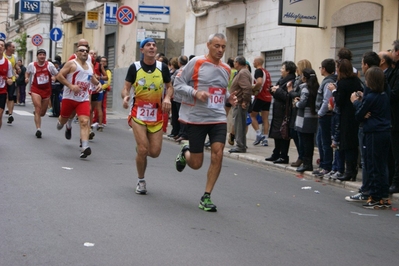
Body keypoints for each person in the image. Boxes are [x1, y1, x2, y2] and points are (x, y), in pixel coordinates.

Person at [174, 33, 236, 212]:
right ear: (208, 45)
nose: (220, 50)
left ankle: (206, 196)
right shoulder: (196, 63)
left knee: (218, 153)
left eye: (223, 47)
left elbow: (221, 91)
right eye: (217, 46)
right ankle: (185, 151)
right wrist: (195, 93)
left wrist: (229, 99)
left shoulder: (226, 69)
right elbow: (178, 83)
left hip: (217, 117)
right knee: (196, 163)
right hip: (196, 118)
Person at [121, 38, 173, 195]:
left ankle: (141, 150)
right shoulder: (134, 67)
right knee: (144, 149)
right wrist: (125, 96)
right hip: (138, 113)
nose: (152, 47)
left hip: (156, 115)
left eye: (154, 45)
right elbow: (126, 87)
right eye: (148, 45)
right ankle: (141, 180)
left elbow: (169, 87)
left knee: (155, 152)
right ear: (142, 50)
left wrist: (167, 98)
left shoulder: (162, 67)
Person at [350, 66, 391, 209]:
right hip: (385, 132)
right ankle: (383, 196)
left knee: (373, 164)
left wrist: (355, 101)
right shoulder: (384, 95)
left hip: (373, 132)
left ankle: (374, 196)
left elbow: (359, 115)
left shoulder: (371, 97)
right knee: (381, 165)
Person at [56, 45, 102, 158]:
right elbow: (59, 76)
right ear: (76, 52)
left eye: (86, 51)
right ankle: (66, 124)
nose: (85, 52)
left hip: (83, 98)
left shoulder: (90, 66)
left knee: (84, 121)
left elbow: (91, 77)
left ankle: (85, 147)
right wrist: (70, 86)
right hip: (69, 97)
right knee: (62, 121)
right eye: (82, 50)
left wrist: (98, 84)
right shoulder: (71, 64)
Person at [328, 59, 362, 181]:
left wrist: (334, 91)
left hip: (346, 116)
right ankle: (353, 170)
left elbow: (339, 101)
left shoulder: (342, 83)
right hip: (355, 114)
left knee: (347, 144)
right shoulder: (356, 81)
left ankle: (348, 171)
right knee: (353, 144)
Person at [265, 61, 297, 164]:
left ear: (288, 71)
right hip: (278, 111)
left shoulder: (291, 81)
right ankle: (276, 153)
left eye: (282, 68)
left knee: (283, 134)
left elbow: (288, 96)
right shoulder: (282, 80)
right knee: (277, 133)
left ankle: (283, 155)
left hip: (285, 111)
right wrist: (273, 89)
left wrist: (277, 90)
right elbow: (279, 92)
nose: (280, 70)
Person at [25, 49, 58, 138]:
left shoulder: (49, 65)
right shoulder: (32, 65)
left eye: (43, 54)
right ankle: (38, 129)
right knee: (38, 107)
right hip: (36, 89)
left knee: (42, 113)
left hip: (46, 90)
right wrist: (27, 78)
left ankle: (37, 114)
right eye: (40, 55)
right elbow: (27, 73)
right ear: (37, 56)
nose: (42, 56)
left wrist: (54, 77)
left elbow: (57, 74)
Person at [313, 59, 337, 177]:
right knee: (320, 140)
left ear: (324, 69)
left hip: (325, 116)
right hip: (325, 115)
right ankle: (323, 163)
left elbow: (326, 100)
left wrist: (321, 113)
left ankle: (326, 165)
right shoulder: (329, 80)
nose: (320, 69)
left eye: (320, 67)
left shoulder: (328, 82)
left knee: (325, 141)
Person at [292, 68, 319, 172]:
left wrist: (296, 103)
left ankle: (306, 163)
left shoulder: (304, 88)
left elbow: (302, 103)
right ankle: (308, 162)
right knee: (309, 142)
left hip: (303, 118)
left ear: (305, 78)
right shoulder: (316, 87)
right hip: (312, 117)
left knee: (304, 141)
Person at [288, 59, 312, 167]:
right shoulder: (298, 79)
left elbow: (298, 94)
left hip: (300, 110)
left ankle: (302, 157)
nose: (296, 69)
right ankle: (301, 156)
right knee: (295, 133)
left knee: (299, 134)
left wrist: (290, 91)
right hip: (295, 109)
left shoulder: (304, 82)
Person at [228, 55, 252, 153]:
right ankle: (241, 145)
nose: (234, 64)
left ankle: (240, 145)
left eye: (235, 62)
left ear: (238, 63)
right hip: (238, 102)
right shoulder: (243, 72)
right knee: (239, 124)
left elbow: (247, 88)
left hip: (240, 102)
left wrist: (244, 101)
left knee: (239, 125)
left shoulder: (243, 73)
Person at [251, 56, 272, 147]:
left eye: (254, 61)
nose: (253, 63)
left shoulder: (258, 71)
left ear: (257, 62)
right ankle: (266, 138)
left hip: (260, 96)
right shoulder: (266, 72)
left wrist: (253, 89)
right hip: (268, 97)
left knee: (251, 115)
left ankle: (259, 134)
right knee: (265, 118)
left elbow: (259, 82)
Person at [0, 39, 14, 129]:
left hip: (2, 92)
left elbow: (10, 78)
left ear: (4, 48)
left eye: (2, 45)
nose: (0, 46)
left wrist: (10, 81)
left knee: (0, 114)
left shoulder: (7, 63)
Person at [4, 41, 17, 124]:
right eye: (13, 47)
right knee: (4, 96)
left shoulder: (14, 57)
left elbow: (14, 66)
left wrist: (17, 70)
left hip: (12, 79)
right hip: (3, 80)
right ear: (8, 48)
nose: (14, 48)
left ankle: (10, 114)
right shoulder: (3, 56)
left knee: (11, 96)